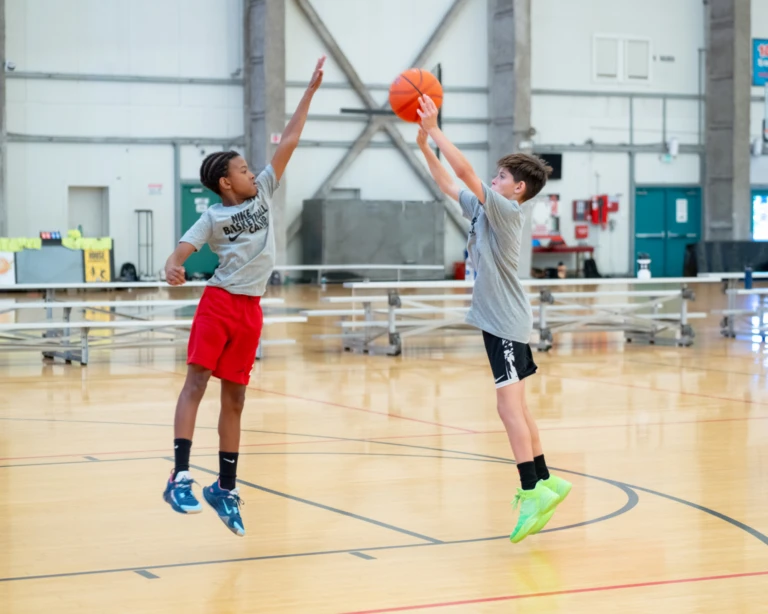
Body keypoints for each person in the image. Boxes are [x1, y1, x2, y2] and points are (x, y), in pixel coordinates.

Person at [161, 56, 326, 537]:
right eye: (243, 169)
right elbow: (184, 248)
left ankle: (225, 489)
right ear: (224, 182)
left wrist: (310, 91)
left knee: (235, 399)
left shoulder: (264, 193)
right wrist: (173, 264)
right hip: (219, 305)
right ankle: (181, 476)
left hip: (251, 310)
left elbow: (290, 140)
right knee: (196, 385)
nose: (253, 172)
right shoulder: (212, 216)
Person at [416, 95, 571, 543]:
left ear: (517, 188)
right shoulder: (487, 209)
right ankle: (545, 480)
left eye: (501, 176)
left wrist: (437, 128)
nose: (492, 178)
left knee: (507, 409)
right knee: (518, 407)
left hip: (504, 323)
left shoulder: (506, 211)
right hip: (505, 320)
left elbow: (464, 171)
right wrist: (425, 145)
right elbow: (450, 183)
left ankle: (530, 491)